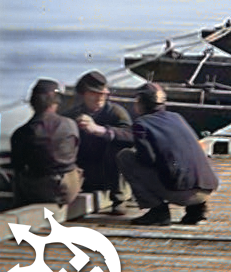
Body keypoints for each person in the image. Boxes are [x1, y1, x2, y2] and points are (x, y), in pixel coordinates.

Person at [117, 83, 219, 225]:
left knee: (125, 157)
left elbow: (147, 159)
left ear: (140, 103)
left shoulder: (141, 124)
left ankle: (158, 212)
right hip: (207, 189)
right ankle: (196, 211)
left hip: (181, 193)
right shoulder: (177, 117)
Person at [63, 71, 133, 215]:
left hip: (112, 174)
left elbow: (131, 136)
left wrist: (99, 130)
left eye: (102, 94)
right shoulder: (73, 115)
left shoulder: (116, 112)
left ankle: (119, 199)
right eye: (94, 93)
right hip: (85, 172)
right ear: (84, 94)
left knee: (118, 148)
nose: (99, 97)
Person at [11, 79, 83, 206]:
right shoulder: (70, 124)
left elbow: (18, 167)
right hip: (68, 190)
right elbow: (75, 151)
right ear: (56, 102)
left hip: (39, 193)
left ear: (32, 103)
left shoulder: (20, 133)